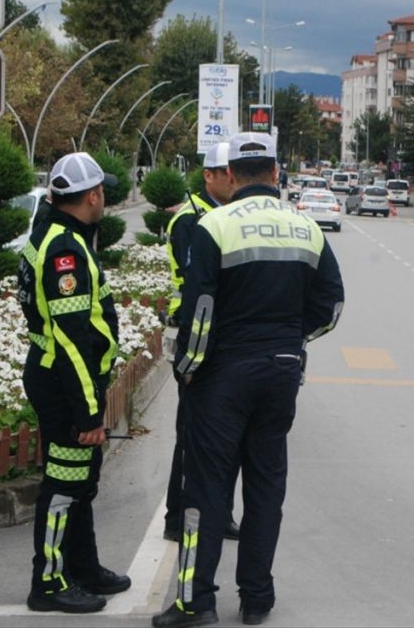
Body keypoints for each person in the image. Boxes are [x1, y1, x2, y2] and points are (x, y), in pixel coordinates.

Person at [153, 133, 344, 628]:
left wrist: (189, 369)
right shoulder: (307, 228)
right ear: (277, 175)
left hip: (222, 376)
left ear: (232, 176)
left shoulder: (212, 226)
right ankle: (257, 598)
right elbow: (332, 306)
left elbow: (199, 312)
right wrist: (292, 340)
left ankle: (195, 601)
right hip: (281, 371)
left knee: (207, 491)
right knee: (265, 489)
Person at [17, 152, 130, 614]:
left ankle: (83, 567)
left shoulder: (58, 235)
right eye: (103, 193)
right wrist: (89, 413)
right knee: (64, 487)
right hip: (65, 386)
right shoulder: (65, 250)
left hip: (61, 379)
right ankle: (47, 583)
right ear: (93, 196)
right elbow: (71, 341)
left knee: (81, 481)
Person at [163, 142, 241, 543]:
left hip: (222, 336)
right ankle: (178, 516)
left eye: (235, 172)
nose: (232, 179)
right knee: (192, 433)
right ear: (208, 175)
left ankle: (219, 512)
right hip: (194, 335)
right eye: (225, 173)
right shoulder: (191, 221)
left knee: (223, 436)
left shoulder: (225, 216)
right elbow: (198, 286)